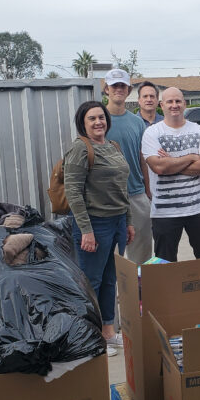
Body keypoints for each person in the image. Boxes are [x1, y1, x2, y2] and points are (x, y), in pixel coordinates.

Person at [64, 101, 135, 356]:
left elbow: (121, 188)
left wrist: (127, 221)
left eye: (101, 117)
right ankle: (90, 338)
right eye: (92, 118)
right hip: (94, 224)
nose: (98, 122)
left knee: (109, 280)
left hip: (116, 223)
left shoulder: (113, 147)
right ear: (83, 123)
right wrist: (86, 230)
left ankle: (108, 332)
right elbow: (72, 191)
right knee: (90, 283)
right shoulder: (80, 149)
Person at [141, 87, 200, 261]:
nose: (174, 105)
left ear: (184, 103)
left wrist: (172, 162)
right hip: (164, 212)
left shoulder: (199, 131)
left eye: (178, 101)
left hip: (199, 209)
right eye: (169, 101)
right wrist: (191, 157)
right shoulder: (152, 133)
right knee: (165, 264)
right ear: (162, 105)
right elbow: (158, 167)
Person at [103, 68, 153, 264]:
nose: (118, 89)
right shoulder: (97, 120)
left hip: (137, 195)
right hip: (107, 199)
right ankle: (116, 294)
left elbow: (143, 159)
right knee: (111, 256)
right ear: (106, 89)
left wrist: (148, 192)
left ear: (128, 89)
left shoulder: (137, 123)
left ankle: (140, 292)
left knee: (141, 254)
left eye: (122, 85)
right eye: (114, 86)